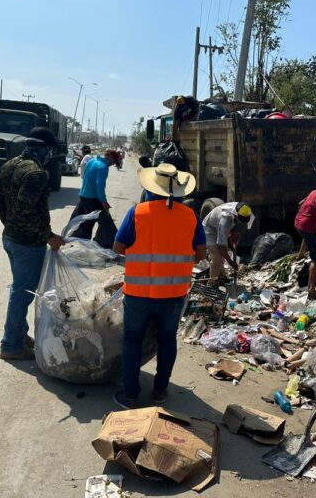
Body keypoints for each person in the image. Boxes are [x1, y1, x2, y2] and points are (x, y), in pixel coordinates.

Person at [112, 163, 207, 409]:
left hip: (138, 294)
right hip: (174, 294)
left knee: (132, 340)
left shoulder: (137, 213)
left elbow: (119, 248)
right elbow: (200, 255)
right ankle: (160, 392)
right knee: (167, 340)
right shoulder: (191, 217)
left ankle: (130, 394)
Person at [0, 127, 64, 361]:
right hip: (27, 244)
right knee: (22, 294)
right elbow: (26, 211)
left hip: (11, 238)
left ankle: (20, 336)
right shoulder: (36, 173)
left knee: (19, 289)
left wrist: (10, 225)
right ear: (44, 149)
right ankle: (11, 344)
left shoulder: (10, 165)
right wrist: (48, 236)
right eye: (50, 151)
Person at [69, 149, 123, 246]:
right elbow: (100, 186)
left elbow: (84, 176)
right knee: (106, 225)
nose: (112, 165)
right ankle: (104, 246)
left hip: (83, 196)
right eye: (113, 162)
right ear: (110, 157)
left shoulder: (91, 161)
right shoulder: (103, 167)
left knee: (83, 223)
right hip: (93, 199)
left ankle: (78, 244)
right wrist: (104, 202)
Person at [202, 202, 255, 287]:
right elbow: (221, 247)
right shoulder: (226, 220)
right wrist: (231, 262)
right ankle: (212, 284)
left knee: (221, 257)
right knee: (217, 258)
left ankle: (222, 277)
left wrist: (232, 232)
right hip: (209, 231)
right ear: (236, 214)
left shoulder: (244, 208)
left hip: (217, 226)